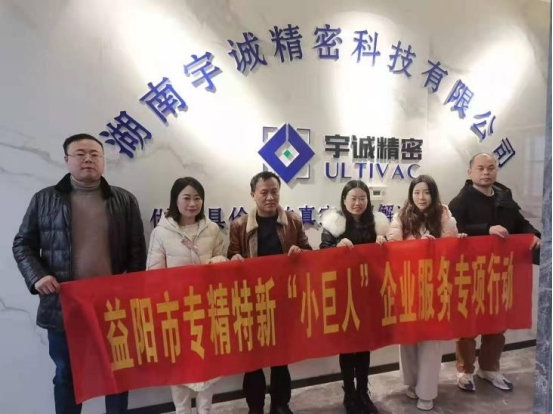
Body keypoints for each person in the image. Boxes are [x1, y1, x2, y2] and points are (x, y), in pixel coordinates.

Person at [12, 133, 147, 414]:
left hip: (112, 307)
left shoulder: (124, 200)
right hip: (65, 306)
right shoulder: (44, 199)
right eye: (80, 154)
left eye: (95, 154)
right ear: (67, 160)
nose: (88, 159)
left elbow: (137, 252)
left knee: (117, 374)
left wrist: (131, 292)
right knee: (67, 376)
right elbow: (23, 244)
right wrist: (37, 276)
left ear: (103, 160)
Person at [449, 153, 541, 392]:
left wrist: (533, 236)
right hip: (470, 272)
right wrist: (486, 230)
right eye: (480, 168)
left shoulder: (503, 196)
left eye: (491, 168)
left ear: (496, 170)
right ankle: (465, 370)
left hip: (500, 272)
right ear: (470, 172)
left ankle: (489, 368)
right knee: (468, 323)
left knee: (497, 321)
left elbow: (520, 223)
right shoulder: (460, 201)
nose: (486, 172)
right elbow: (453, 232)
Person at [227, 171, 312, 414]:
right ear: (252, 194)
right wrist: (235, 260)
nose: (270, 197)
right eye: (264, 192)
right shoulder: (239, 226)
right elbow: (231, 258)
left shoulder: (293, 221)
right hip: (251, 301)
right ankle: (255, 407)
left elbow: (309, 253)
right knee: (252, 360)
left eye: (274, 191)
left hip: (284, 299)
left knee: (281, 357)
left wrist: (301, 253)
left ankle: (280, 404)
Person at [147, 176, 227, 414]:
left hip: (207, 309)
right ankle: (182, 411)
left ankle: (205, 411)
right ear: (175, 200)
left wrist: (218, 262)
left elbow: (221, 261)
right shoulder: (161, 233)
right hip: (176, 311)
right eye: (187, 198)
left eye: (197, 198)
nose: (192, 204)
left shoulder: (213, 229)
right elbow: (153, 276)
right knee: (179, 366)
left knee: (207, 364)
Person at [386, 175, 463, 411]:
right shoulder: (401, 215)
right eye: (417, 192)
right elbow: (392, 245)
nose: (421, 197)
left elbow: (452, 250)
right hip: (408, 287)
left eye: (426, 192)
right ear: (411, 194)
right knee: (408, 338)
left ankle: (427, 392)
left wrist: (436, 246)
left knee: (431, 341)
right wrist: (416, 247)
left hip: (436, 288)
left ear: (433, 194)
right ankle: (411, 383)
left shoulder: (445, 216)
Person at [320, 180, 389, 414]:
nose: (358, 203)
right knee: (348, 345)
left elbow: (388, 259)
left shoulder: (378, 224)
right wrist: (336, 247)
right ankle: (349, 394)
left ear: (368, 200)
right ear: (344, 200)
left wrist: (384, 243)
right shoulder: (333, 224)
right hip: (344, 293)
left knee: (364, 344)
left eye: (362, 198)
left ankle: (363, 392)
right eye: (353, 198)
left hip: (369, 292)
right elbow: (322, 255)